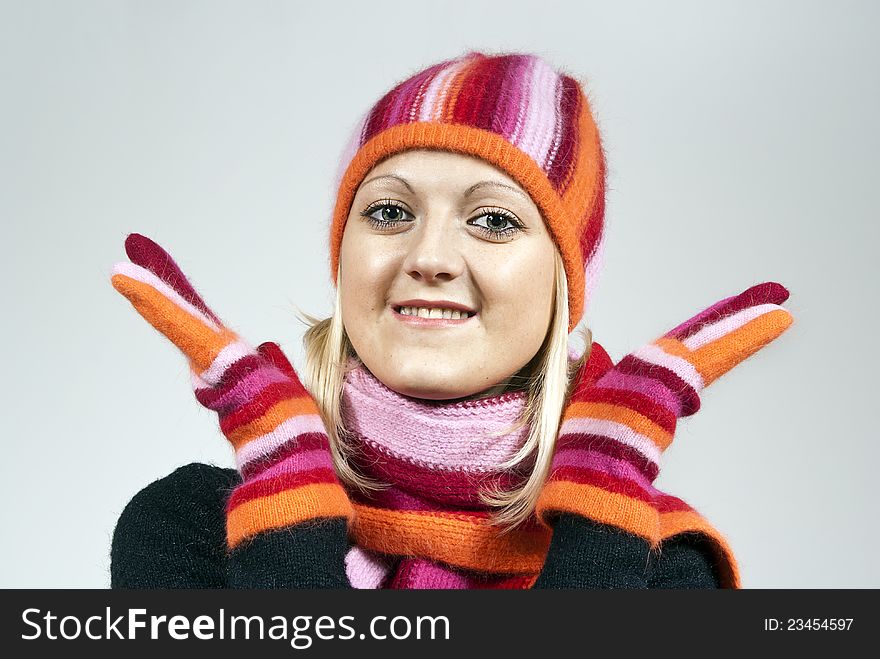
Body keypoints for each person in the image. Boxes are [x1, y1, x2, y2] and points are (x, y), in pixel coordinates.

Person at [109, 51, 793, 589]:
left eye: (493, 220)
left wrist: (599, 502)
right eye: (389, 211)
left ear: (562, 280)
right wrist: (287, 501)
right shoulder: (193, 524)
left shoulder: (656, 562)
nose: (429, 256)